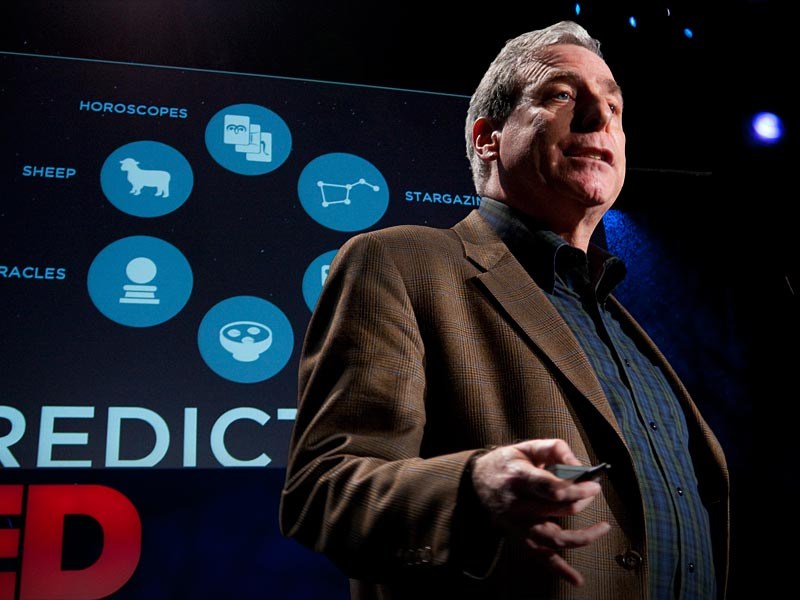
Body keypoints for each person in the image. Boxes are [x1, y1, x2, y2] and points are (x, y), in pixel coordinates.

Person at [279, 20, 729, 600]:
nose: (601, 118)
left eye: (615, 107)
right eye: (562, 95)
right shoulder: (401, 263)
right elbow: (323, 492)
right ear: (487, 137)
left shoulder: (620, 321)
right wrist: (473, 488)